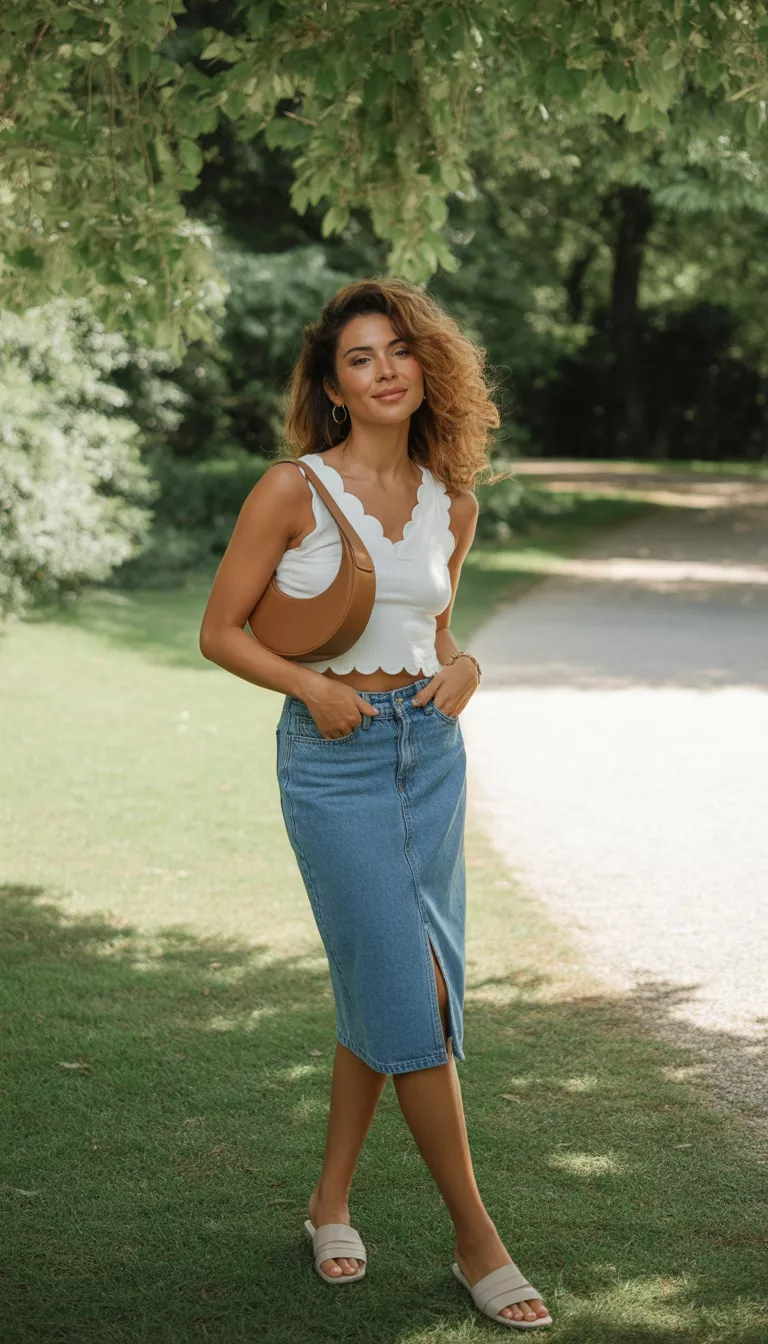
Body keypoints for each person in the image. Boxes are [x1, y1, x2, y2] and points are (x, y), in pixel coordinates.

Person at [199, 278, 552, 1330]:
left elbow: (434, 635)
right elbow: (223, 631)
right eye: (361, 357)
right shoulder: (292, 490)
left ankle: (330, 1204)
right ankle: (477, 1241)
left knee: (389, 978)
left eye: (400, 350)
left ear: (426, 366)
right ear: (335, 386)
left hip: (428, 754)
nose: (385, 368)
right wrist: (312, 688)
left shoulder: (456, 501)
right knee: (420, 993)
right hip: (332, 756)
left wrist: (466, 668)